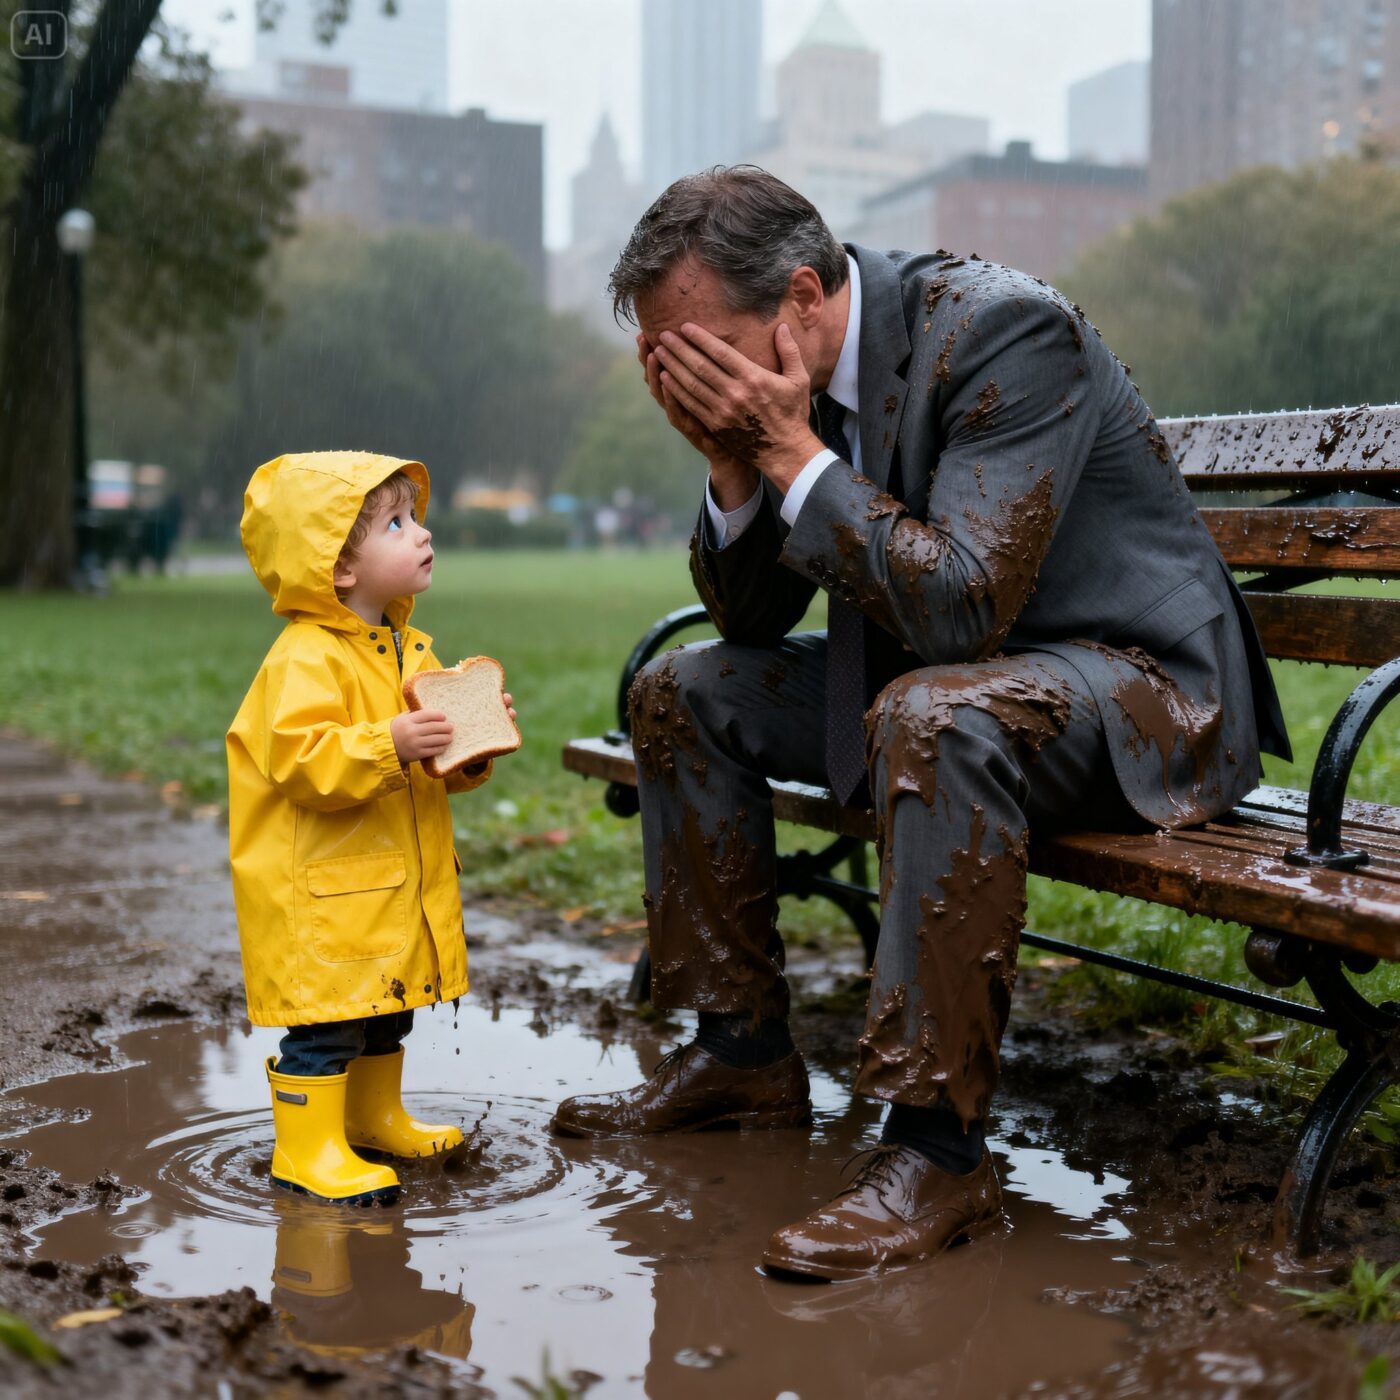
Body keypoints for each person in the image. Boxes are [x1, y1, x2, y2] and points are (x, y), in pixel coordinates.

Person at [551, 167, 1289, 1279]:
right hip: (962, 686)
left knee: (933, 717)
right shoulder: (781, 385)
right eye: (670, 362)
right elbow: (750, 620)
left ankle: (935, 1154)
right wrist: (731, 460)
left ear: (802, 296)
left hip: (1140, 686)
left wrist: (788, 451)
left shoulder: (1002, 334)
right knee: (682, 690)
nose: (696, 381)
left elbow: (961, 607)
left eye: (707, 351)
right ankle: (738, 1054)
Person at [227, 451, 514, 1204]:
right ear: (337, 566)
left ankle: (372, 1117)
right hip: (327, 897)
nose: (421, 533)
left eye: (414, 517)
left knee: (388, 1011)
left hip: (389, 890)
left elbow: (435, 765)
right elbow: (301, 762)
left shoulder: (410, 651)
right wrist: (391, 743)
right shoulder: (303, 659)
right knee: (328, 1027)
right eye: (394, 524)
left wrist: (473, 743)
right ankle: (305, 1149)